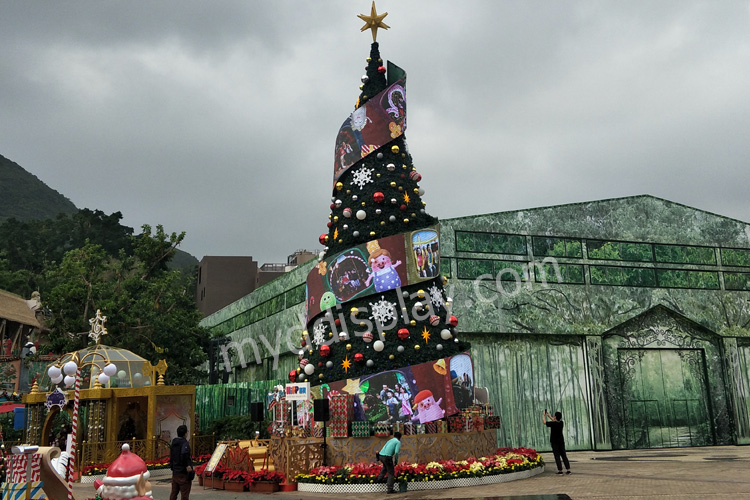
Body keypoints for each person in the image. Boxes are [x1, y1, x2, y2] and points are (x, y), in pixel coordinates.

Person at [169, 424, 194, 500]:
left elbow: (171, 456)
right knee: (184, 494)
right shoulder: (184, 443)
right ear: (185, 433)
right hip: (183, 472)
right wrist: (188, 465)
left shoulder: (174, 442)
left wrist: (173, 467)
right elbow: (184, 455)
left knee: (174, 492)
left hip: (175, 472)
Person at [543, 410, 571, 475]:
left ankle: (560, 470)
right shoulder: (561, 423)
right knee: (564, 455)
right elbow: (554, 420)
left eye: (554, 416)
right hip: (561, 442)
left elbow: (544, 422)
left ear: (555, 417)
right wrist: (549, 416)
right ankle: (568, 469)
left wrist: (543, 415)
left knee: (557, 456)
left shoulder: (553, 424)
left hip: (554, 442)